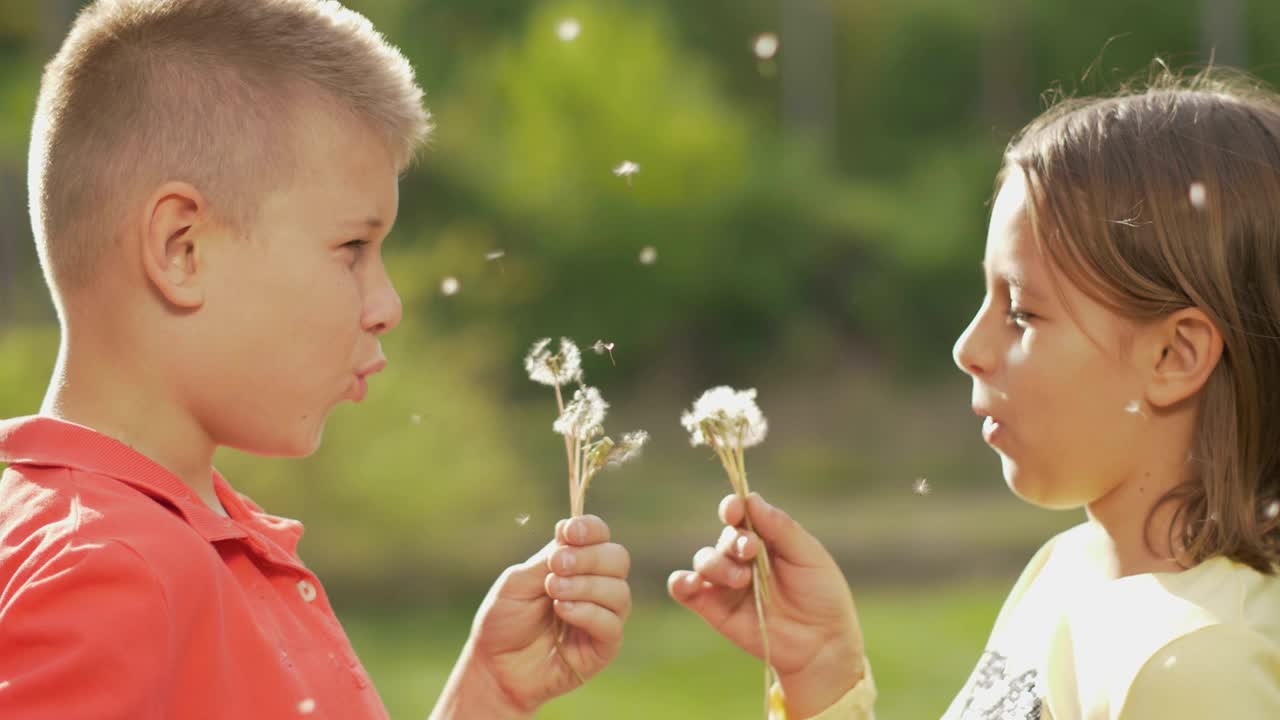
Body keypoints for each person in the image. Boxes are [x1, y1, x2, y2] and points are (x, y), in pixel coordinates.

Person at [0, 2, 631, 718]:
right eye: (352, 249)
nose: (387, 303)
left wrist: (488, 694)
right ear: (182, 248)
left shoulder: (190, 542)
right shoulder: (113, 572)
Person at [671, 69, 1280, 719]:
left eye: (1020, 312)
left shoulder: (1197, 666)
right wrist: (823, 670)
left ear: (1174, 355)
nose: (968, 348)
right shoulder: (1068, 570)